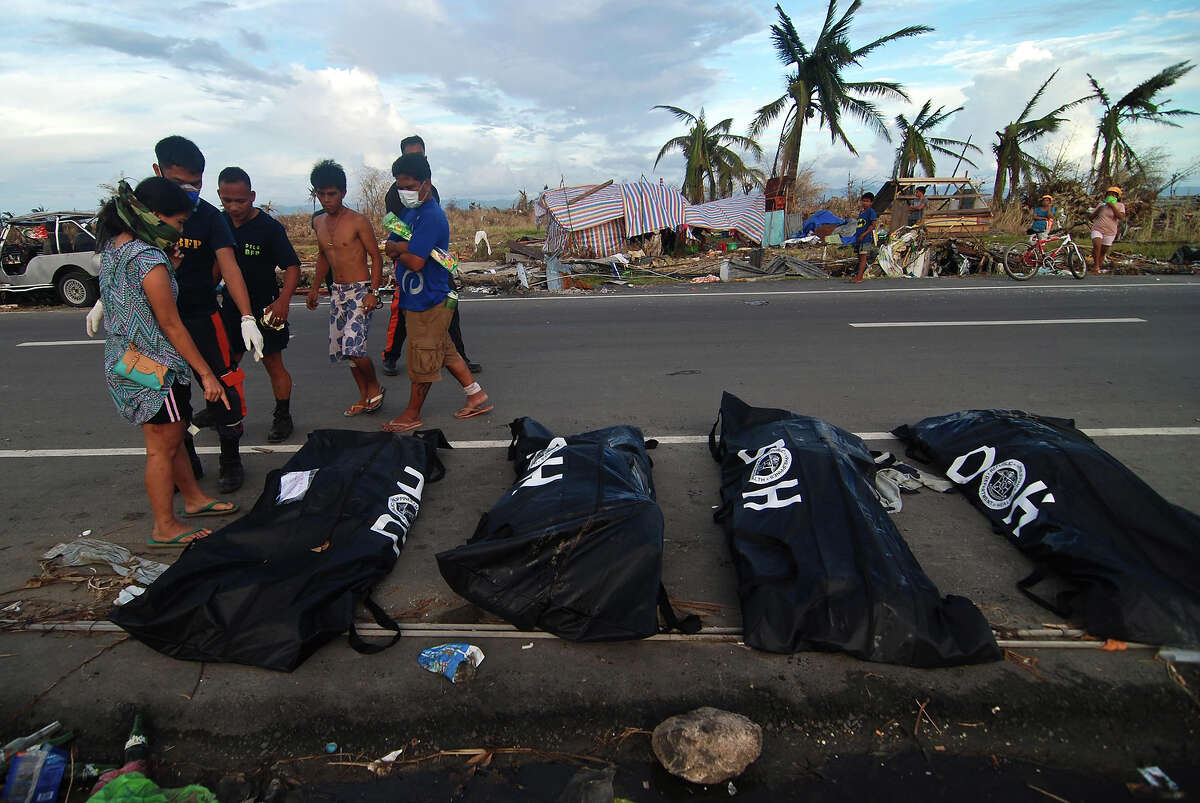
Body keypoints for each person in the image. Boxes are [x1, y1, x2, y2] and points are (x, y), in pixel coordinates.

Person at [96, 177, 237, 547]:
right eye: (177, 222)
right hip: (153, 366)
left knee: (170, 436)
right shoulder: (148, 258)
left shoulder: (116, 247)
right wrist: (207, 373)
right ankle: (164, 526)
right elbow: (170, 323)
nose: (180, 229)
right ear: (155, 216)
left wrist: (168, 270)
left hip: (126, 358)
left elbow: (135, 299)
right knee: (163, 445)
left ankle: (192, 499)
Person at [152, 135, 263, 494]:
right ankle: (186, 463)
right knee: (171, 398)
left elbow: (230, 268)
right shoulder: (142, 214)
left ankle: (231, 459)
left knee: (225, 386)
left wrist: (247, 317)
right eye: (178, 183)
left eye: (196, 184)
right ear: (158, 172)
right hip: (158, 324)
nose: (188, 191)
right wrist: (105, 300)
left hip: (202, 316)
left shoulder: (210, 218)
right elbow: (121, 258)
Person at [380, 152, 492, 433]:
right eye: (399, 187)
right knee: (444, 349)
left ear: (426, 184)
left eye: (409, 186)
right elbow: (391, 241)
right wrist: (407, 247)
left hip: (430, 298)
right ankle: (475, 395)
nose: (404, 192)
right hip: (416, 297)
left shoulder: (432, 217)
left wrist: (403, 249)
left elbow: (415, 261)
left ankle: (412, 413)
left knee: (423, 357)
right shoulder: (410, 212)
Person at [380, 135, 481, 377]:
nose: (416, 159)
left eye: (420, 155)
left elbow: (431, 227)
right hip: (413, 262)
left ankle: (459, 357)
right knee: (404, 308)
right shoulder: (397, 194)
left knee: (449, 304)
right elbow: (397, 233)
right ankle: (391, 356)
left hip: (435, 260)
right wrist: (411, 248)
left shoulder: (429, 190)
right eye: (411, 155)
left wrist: (428, 248)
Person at [215, 167, 301, 442]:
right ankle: (224, 414)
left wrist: (283, 302)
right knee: (228, 366)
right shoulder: (218, 224)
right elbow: (214, 267)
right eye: (227, 200)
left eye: (240, 200)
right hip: (231, 309)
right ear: (219, 196)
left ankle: (283, 416)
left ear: (252, 196)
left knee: (274, 364)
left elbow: (292, 266)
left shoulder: (269, 228)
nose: (234, 206)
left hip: (266, 309)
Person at [304, 159, 386, 416]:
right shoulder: (318, 223)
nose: (327, 199)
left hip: (360, 291)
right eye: (321, 194)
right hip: (337, 292)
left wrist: (373, 292)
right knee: (344, 350)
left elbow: (377, 256)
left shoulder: (357, 221)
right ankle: (364, 396)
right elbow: (322, 257)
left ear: (343, 193)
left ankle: (374, 387)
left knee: (355, 347)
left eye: (332, 194)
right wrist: (315, 289)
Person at [1089, 186, 1126, 274]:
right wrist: (1098, 210)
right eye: (1109, 194)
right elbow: (1091, 217)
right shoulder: (1101, 205)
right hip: (1098, 228)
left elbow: (1120, 217)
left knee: (1103, 250)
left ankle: (1098, 266)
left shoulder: (1120, 206)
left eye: (1114, 195)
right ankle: (1096, 265)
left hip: (1110, 232)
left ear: (1117, 197)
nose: (1111, 196)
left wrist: (1112, 206)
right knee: (1097, 245)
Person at [849, 192, 879, 283]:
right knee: (859, 257)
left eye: (867, 201)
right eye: (864, 201)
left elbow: (873, 225)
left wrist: (863, 234)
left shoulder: (871, 212)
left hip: (865, 239)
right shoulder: (862, 213)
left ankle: (859, 278)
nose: (865, 203)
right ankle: (859, 275)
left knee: (863, 257)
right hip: (859, 238)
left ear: (871, 202)